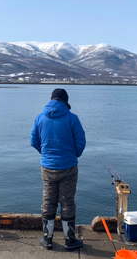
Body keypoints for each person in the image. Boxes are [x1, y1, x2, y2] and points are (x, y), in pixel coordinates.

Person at [30, 88, 86, 251]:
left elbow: (34, 141)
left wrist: (46, 154)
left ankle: (47, 239)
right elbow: (80, 142)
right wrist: (73, 154)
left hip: (47, 167)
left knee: (48, 201)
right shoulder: (72, 118)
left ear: (51, 100)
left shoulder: (40, 118)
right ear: (65, 101)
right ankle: (69, 240)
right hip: (68, 166)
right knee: (67, 202)